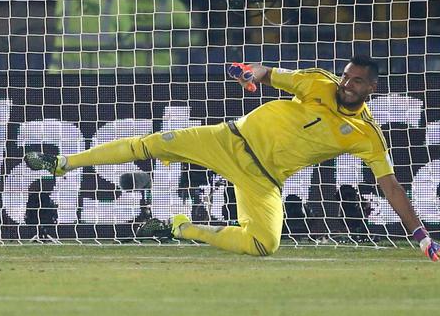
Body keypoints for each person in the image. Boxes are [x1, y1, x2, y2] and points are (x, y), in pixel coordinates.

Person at [28, 58, 440, 260]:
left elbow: (391, 187)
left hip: (264, 178)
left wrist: (421, 235)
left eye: (357, 80)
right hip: (229, 140)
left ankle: (181, 228)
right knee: (149, 144)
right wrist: (247, 73)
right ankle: (64, 163)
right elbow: (266, 72)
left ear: (371, 88)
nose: (347, 83)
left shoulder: (367, 136)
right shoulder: (318, 82)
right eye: (347, 75)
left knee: (263, 245)